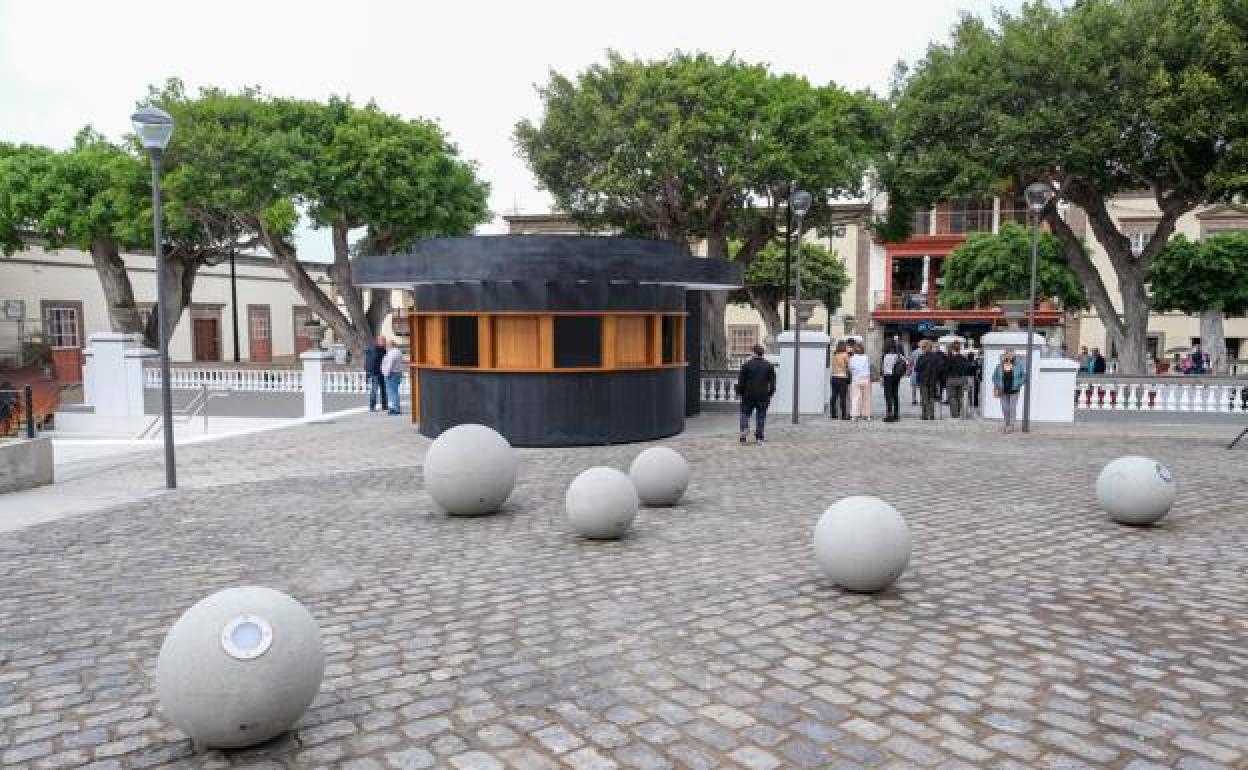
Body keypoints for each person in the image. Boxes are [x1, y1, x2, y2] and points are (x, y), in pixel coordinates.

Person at [736, 343, 775, 444]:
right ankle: (759, 438)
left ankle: (744, 432)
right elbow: (773, 383)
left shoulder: (746, 365)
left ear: (753, 353)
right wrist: (769, 394)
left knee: (744, 414)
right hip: (763, 395)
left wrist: (739, 393)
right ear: (762, 353)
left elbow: (741, 382)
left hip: (748, 395)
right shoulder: (769, 366)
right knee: (761, 416)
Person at [993, 349, 1027, 433]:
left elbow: (1024, 376)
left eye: (1012, 355)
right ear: (1005, 355)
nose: (1010, 356)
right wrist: (996, 387)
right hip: (1002, 389)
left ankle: (1011, 425)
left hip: (1014, 390)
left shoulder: (1019, 365)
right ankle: (1006, 423)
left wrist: (1018, 383)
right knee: (1004, 407)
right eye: (1008, 354)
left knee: (1012, 407)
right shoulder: (999, 366)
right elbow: (994, 377)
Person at [914, 340, 945, 420]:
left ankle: (924, 415)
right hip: (933, 380)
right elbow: (941, 368)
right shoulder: (936, 357)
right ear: (931, 348)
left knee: (924, 398)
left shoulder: (921, 357)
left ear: (923, 348)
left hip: (923, 380)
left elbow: (917, 368)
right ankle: (932, 415)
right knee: (931, 397)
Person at [880, 340, 907, 423]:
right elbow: (907, 362)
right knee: (895, 394)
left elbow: (883, 368)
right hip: (896, 376)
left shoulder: (884, 356)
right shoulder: (898, 355)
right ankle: (896, 414)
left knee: (888, 395)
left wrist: (881, 378)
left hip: (888, 377)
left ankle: (889, 414)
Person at [944, 340, 971, 418]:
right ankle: (958, 412)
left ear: (952, 348)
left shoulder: (949, 358)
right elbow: (966, 369)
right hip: (961, 379)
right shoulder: (963, 358)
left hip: (951, 379)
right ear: (959, 349)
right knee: (959, 397)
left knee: (952, 397)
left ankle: (954, 414)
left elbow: (945, 368)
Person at [380, 340, 405, 416]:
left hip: (392, 374)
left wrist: (385, 374)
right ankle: (396, 406)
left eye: (386, 346)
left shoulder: (391, 353)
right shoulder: (398, 352)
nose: (385, 348)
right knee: (395, 391)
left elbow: (389, 365)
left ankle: (395, 409)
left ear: (390, 345)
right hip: (397, 373)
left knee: (392, 392)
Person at [364, 335, 389, 413]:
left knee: (384, 389)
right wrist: (369, 373)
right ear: (378, 341)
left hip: (382, 372)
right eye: (383, 341)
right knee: (374, 389)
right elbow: (370, 362)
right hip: (375, 373)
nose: (385, 342)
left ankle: (384, 405)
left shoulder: (383, 349)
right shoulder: (373, 349)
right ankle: (372, 406)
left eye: (385, 341)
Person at [849, 342, 872, 420]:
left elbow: (850, 368)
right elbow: (868, 367)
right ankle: (867, 415)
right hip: (866, 378)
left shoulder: (852, 358)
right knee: (867, 398)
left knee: (855, 397)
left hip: (856, 379)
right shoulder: (866, 357)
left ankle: (854, 415)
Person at [828, 341, 850, 420]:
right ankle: (844, 415)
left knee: (834, 396)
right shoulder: (845, 355)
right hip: (842, 377)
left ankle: (833, 414)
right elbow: (848, 365)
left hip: (834, 377)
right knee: (842, 397)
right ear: (844, 347)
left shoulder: (834, 354)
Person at [910, 341, 923, 405]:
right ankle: (921, 399)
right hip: (922, 372)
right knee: (921, 386)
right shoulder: (924, 352)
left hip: (914, 371)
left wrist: (910, 369)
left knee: (914, 386)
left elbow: (911, 362)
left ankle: (914, 399)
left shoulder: (914, 352)